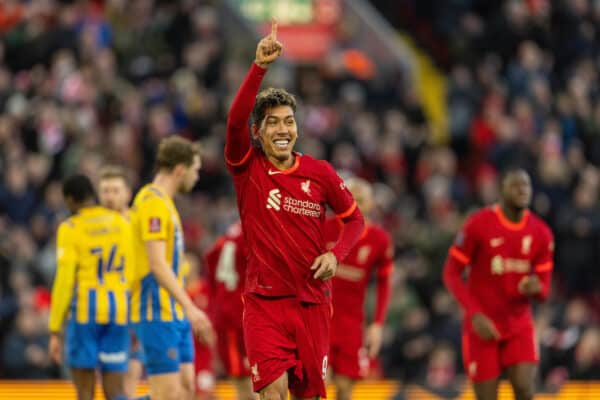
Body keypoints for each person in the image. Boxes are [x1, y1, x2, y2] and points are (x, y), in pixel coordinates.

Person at [225, 19, 365, 400]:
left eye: (289, 121)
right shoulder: (249, 168)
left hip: (313, 302)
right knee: (273, 394)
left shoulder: (320, 173)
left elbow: (354, 220)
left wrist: (337, 255)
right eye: (272, 123)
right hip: (264, 304)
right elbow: (236, 119)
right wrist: (259, 68)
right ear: (259, 132)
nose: (283, 129)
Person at [442, 167, 554, 400]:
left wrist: (538, 289)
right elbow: (451, 273)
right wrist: (474, 314)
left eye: (526, 185)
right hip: (483, 325)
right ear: (501, 190)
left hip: (519, 324)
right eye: (516, 185)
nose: (522, 190)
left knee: (524, 388)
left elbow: (544, 289)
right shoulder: (479, 224)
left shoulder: (541, 233)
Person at [129, 136, 213, 400]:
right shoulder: (152, 202)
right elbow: (156, 264)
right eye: (195, 170)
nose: (196, 177)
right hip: (155, 308)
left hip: (174, 311)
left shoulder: (167, 204)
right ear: (180, 169)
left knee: (187, 389)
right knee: (167, 394)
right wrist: (191, 306)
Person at [48, 174, 132, 400]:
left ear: (70, 200)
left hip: (86, 313)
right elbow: (133, 271)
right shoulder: (122, 223)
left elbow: (64, 281)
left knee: (85, 393)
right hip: (119, 313)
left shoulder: (70, 228)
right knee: (115, 392)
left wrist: (55, 328)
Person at [322, 177, 393, 400]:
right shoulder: (323, 228)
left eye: (361, 200)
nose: (355, 204)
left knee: (345, 389)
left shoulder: (379, 239)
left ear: (370, 204)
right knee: (317, 385)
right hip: (319, 317)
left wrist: (377, 325)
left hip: (351, 324)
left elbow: (384, 283)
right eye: (350, 198)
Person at [97, 165, 146, 399]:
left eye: (115, 190)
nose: (109, 196)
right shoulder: (92, 227)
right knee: (107, 386)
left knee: (128, 381)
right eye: (105, 190)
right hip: (100, 313)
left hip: (133, 312)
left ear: (128, 193)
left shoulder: (139, 225)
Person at [204, 221, 254, 400]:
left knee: (243, 376)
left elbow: (210, 260)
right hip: (239, 310)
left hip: (226, 310)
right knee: (248, 376)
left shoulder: (224, 238)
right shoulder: (254, 232)